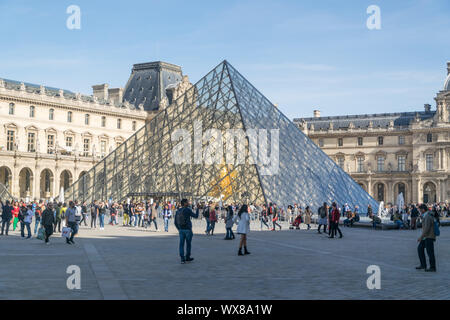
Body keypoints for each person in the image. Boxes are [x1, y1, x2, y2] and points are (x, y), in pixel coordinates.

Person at [174, 199, 199, 264]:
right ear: (185, 203)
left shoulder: (178, 211)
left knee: (181, 244)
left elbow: (175, 222)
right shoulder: (187, 210)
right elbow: (196, 216)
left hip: (181, 230)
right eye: (187, 202)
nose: (188, 203)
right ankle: (187, 257)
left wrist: (179, 229)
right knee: (188, 244)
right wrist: (198, 209)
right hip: (187, 229)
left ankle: (182, 258)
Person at [416, 204, 437, 272]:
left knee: (430, 252)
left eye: (420, 209)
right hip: (426, 237)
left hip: (429, 236)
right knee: (420, 249)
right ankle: (423, 265)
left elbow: (427, 228)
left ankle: (433, 267)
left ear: (423, 210)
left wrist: (421, 237)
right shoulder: (425, 216)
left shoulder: (427, 216)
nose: (419, 210)